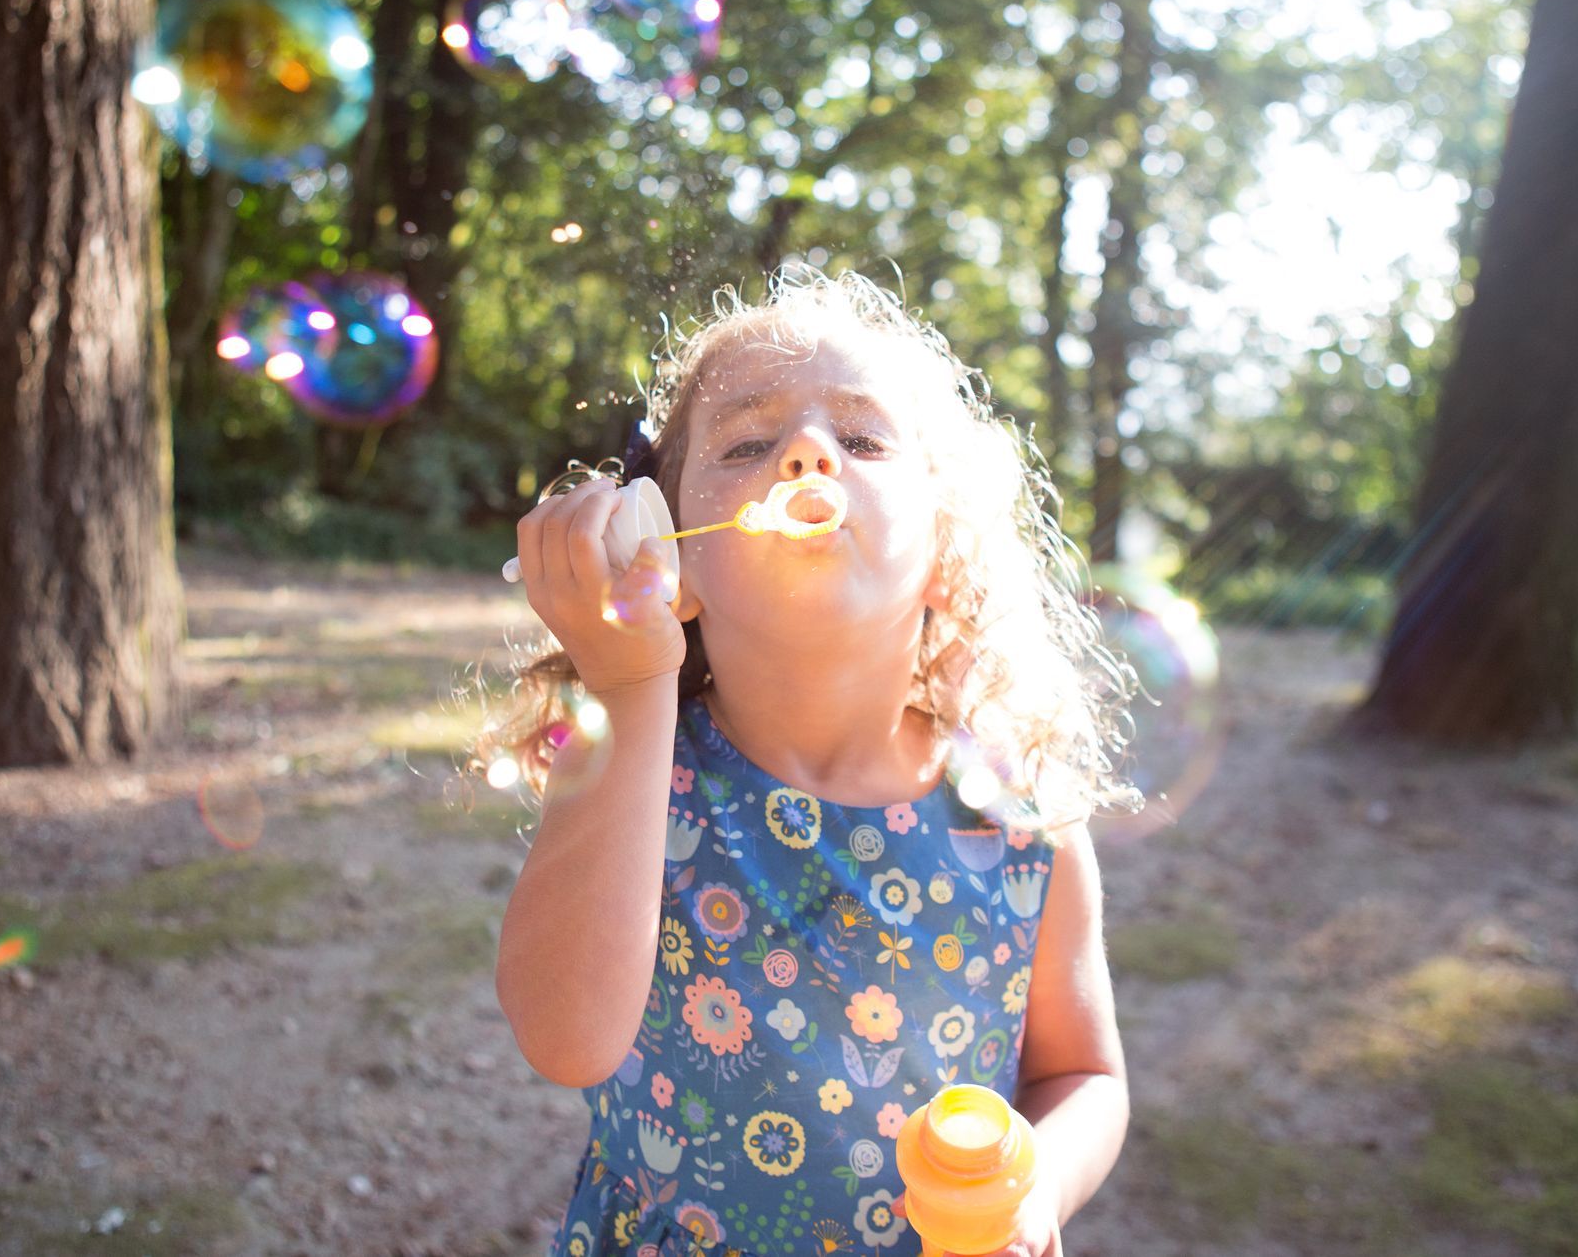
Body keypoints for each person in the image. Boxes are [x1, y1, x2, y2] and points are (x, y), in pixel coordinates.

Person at [482, 266, 1140, 1257]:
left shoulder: (1020, 816)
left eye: (864, 439)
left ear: (946, 546)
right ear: (672, 555)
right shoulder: (640, 766)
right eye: (747, 443)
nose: (806, 453)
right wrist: (626, 681)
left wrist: (1036, 1184)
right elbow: (564, 1037)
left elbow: (1084, 1075)